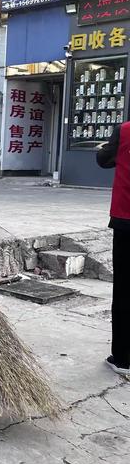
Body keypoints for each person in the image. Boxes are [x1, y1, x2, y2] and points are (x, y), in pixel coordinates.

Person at [97, 123, 130, 376]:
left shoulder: (125, 131)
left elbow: (104, 159)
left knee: (124, 290)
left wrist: (105, 148)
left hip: (126, 221)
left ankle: (122, 358)